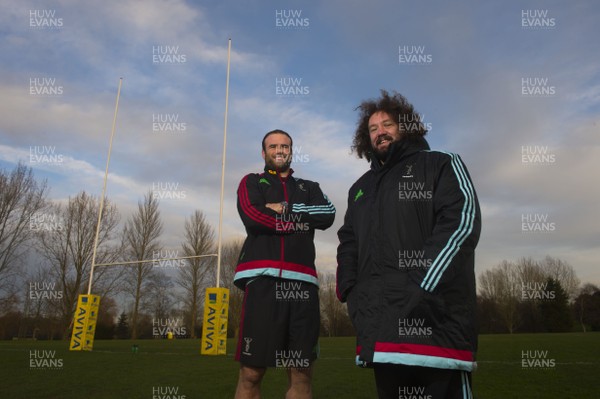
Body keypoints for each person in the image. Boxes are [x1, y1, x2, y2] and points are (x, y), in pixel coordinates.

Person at [336, 90, 481, 399]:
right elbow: (348, 240)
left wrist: (422, 283)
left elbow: (461, 222)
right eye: (372, 129)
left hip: (435, 328)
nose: (380, 132)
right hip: (381, 333)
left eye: (387, 124)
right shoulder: (360, 188)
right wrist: (350, 289)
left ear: (406, 126)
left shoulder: (441, 163)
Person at [233, 129, 335, 399]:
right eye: (273, 146)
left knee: (301, 376)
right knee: (251, 374)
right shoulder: (251, 182)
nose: (279, 150)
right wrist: (300, 222)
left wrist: (285, 209)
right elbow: (254, 216)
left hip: (303, 285)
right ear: (264, 152)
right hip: (263, 281)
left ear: (291, 150)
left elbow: (327, 214)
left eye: (285, 146)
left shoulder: (309, 187)